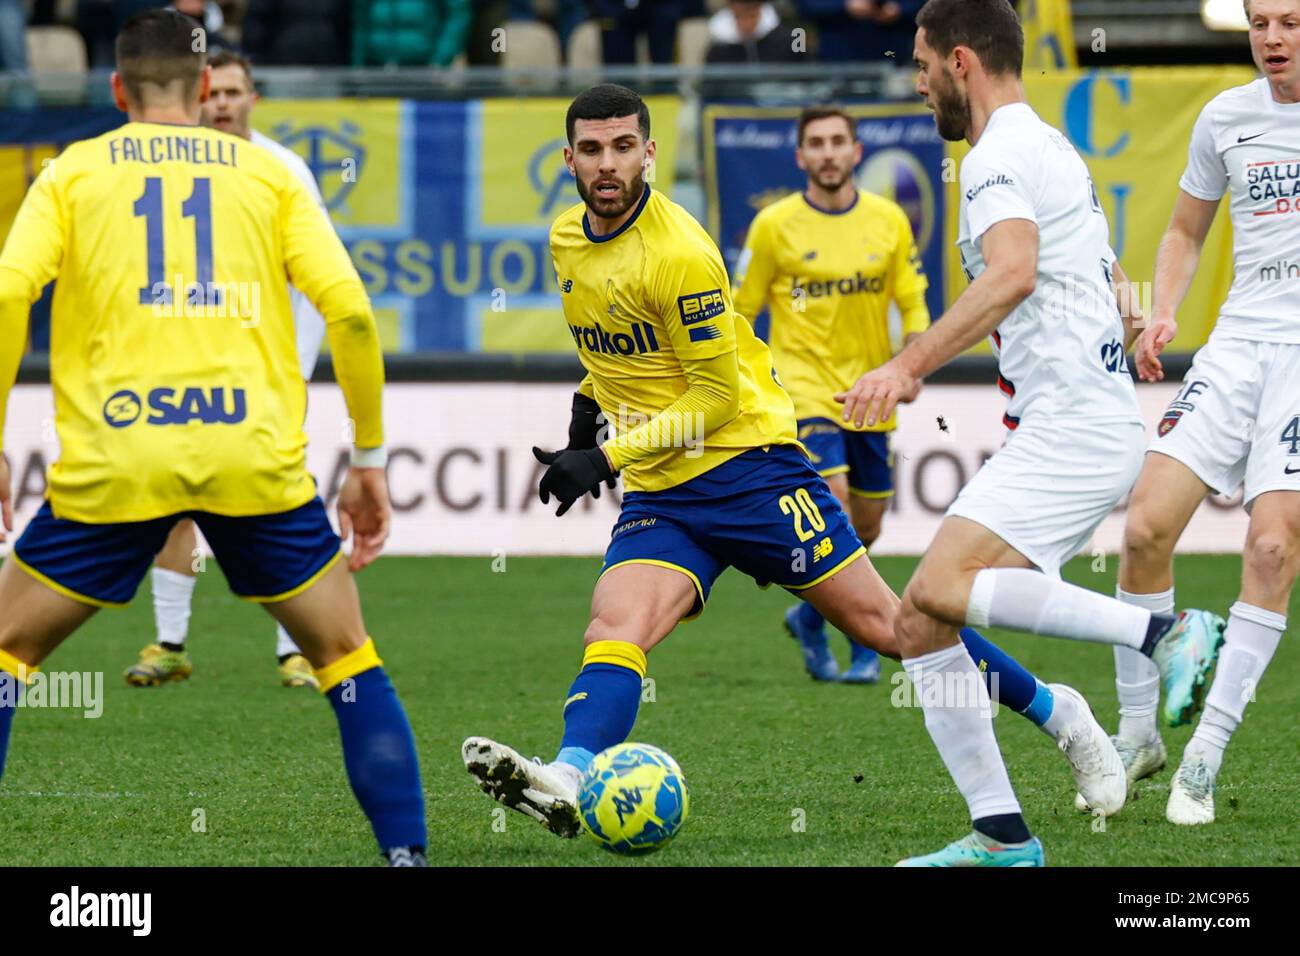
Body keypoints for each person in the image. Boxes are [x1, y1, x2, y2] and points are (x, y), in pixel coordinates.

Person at [460, 82, 1137, 840]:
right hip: (664, 492)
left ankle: (1061, 714)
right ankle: (568, 774)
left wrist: (608, 453)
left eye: (624, 148)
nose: (608, 165)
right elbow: (611, 346)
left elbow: (715, 397)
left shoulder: (680, 252)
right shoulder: (567, 240)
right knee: (612, 629)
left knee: (897, 628)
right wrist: (586, 422)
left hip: (750, 469)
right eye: (592, 150)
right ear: (569, 159)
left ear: (650, 153)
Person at [0, 10, 426, 866]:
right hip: (252, 461)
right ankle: (406, 858)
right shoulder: (270, 176)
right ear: (206, 93)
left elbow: (10, 297)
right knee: (348, 659)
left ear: (116, 89)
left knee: (7, 649)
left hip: (120, 461)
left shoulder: (71, 173)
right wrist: (368, 458)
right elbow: (348, 308)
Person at [840, 0, 1224, 866]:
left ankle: (1166, 636)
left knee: (934, 592)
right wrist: (1130, 321)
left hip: (1071, 428)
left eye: (922, 61)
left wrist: (907, 367)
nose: (918, 79)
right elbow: (1100, 260)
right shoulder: (1048, 145)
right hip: (1080, 419)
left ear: (962, 62)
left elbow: (1012, 274)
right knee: (923, 623)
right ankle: (1004, 836)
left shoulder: (995, 160)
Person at [1107, 0, 1300, 826]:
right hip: (1237, 345)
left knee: (1269, 544)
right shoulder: (1226, 115)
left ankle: (1205, 758)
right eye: (1260, 23)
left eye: (1288, 22)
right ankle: (1138, 734)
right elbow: (1186, 230)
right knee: (1145, 528)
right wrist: (1165, 311)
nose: (1272, 39)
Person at [123, 49, 330, 691]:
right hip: (184, 372)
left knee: (276, 499)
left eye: (235, 92)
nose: (221, 104)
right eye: (214, 92)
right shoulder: (172, 170)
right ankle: (170, 644)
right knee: (175, 499)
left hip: (267, 376)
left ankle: (297, 650)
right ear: (200, 95)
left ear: (252, 99)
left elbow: (321, 285)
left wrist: (292, 371)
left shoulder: (283, 170)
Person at [733, 105, 928, 683]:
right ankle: (867, 641)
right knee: (835, 504)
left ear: (855, 152)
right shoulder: (773, 226)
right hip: (801, 389)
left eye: (837, 141)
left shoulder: (889, 220)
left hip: (868, 391)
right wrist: (745, 386)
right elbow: (740, 312)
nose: (826, 152)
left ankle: (811, 618)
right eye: (814, 143)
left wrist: (911, 363)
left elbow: (913, 301)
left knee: (868, 523)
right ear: (800, 157)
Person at [796, 0, 923, 64]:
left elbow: (931, 7)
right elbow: (806, 7)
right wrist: (844, 6)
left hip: (893, 56)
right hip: (838, 59)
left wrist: (900, 9)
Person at [705, 0, 799, 65]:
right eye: (739, 17)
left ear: (760, 8)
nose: (746, 24)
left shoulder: (787, 40)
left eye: (752, 16)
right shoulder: (718, 50)